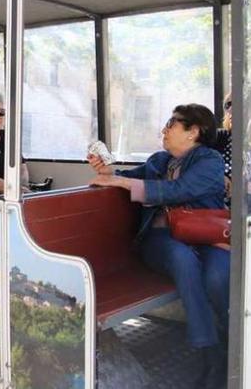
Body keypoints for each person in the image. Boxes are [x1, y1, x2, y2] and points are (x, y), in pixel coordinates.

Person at [87, 104, 228, 389]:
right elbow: (126, 178)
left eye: (172, 123)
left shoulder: (210, 161)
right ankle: (211, 354)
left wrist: (123, 181)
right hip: (162, 240)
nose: (164, 129)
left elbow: (182, 190)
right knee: (182, 258)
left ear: (193, 132)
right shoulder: (159, 162)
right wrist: (107, 171)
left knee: (218, 276)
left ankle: (236, 343)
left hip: (206, 237)